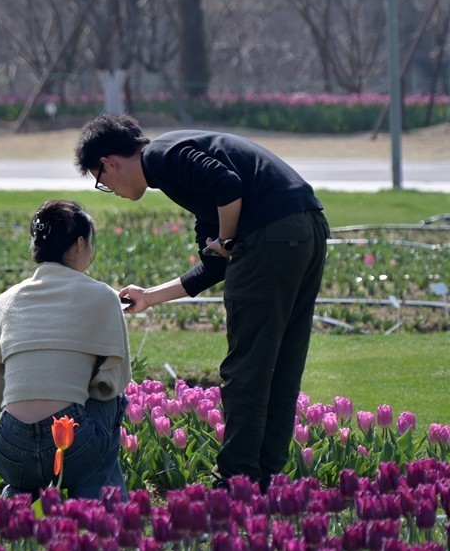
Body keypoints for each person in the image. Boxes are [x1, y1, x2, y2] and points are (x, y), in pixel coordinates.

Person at [73, 114, 329, 492]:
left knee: (247, 370)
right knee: (281, 364)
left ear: (109, 163)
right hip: (305, 229)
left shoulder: (161, 156)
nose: (108, 186)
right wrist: (150, 297)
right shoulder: (180, 174)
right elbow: (213, 266)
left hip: (271, 236)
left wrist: (227, 242)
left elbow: (227, 186)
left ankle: (235, 481)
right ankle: (266, 479)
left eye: (101, 180)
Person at [0, 199, 132, 500]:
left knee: (27, 428)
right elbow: (113, 381)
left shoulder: (5, 302)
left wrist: (19, 418)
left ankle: (20, 496)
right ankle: (99, 501)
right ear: (80, 244)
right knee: (110, 400)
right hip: (74, 449)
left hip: (9, 450)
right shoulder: (103, 297)